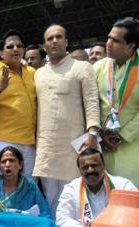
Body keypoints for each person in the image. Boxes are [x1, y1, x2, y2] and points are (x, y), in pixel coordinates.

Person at [34, 24, 101, 216]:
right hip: (46, 146)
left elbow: (91, 101)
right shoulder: (39, 73)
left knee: (73, 194)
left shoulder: (81, 67)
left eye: (58, 37)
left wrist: (93, 133)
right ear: (44, 46)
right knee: (49, 196)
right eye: (49, 39)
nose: (54, 41)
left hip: (74, 144)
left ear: (66, 41)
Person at [94, 17, 139, 190]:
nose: (108, 44)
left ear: (131, 46)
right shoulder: (98, 67)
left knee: (129, 197)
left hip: (131, 146)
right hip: (101, 145)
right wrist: (99, 135)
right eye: (109, 38)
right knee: (101, 197)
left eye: (116, 40)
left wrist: (122, 136)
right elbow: (90, 104)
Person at [54, 148, 137, 227]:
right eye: (85, 167)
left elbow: (136, 214)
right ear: (79, 170)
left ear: (103, 165)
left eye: (95, 165)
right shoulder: (71, 188)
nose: (90, 170)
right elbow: (62, 218)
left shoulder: (123, 185)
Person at [0, 30, 38, 177]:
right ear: (1, 53)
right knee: (6, 186)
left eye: (19, 46)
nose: (16, 49)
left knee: (29, 187)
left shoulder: (32, 72)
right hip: (5, 141)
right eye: (10, 47)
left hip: (31, 142)